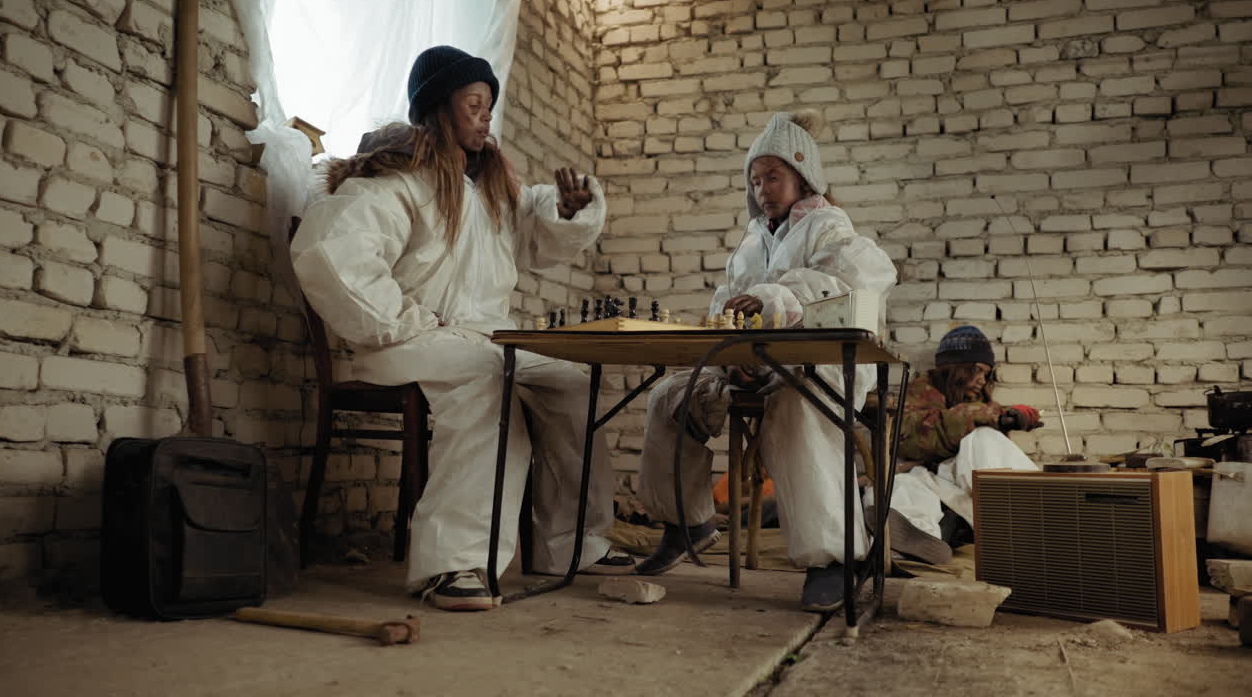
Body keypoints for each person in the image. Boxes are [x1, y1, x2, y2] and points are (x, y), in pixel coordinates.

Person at [291, 46, 633, 612]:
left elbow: (537, 229)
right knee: (486, 382)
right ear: (438, 107)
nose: (484, 116)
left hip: (480, 337)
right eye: (473, 103)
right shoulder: (398, 179)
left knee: (574, 384)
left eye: (489, 106)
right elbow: (332, 252)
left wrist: (570, 209)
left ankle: (572, 543)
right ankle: (453, 564)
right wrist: (400, 321)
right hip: (405, 342)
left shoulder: (491, 190)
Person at [634, 109, 900, 613]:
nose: (763, 190)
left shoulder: (830, 229)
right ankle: (688, 521)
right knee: (671, 397)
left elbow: (851, 285)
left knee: (795, 409)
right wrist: (732, 355)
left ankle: (834, 559)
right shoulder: (753, 240)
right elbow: (726, 303)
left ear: (805, 176)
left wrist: (772, 297)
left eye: (773, 177)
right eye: (756, 180)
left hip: (813, 369)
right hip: (750, 368)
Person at [883, 325, 1043, 557]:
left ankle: (1031, 519)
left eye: (985, 373)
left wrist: (1006, 419)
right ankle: (918, 547)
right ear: (954, 368)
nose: (981, 379)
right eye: (975, 370)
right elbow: (910, 437)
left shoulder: (987, 408)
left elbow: (984, 455)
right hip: (932, 482)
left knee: (985, 438)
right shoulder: (919, 393)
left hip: (972, 494)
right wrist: (987, 418)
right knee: (903, 488)